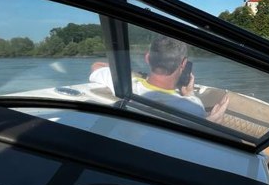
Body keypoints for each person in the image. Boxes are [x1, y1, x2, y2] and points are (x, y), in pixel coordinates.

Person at [89, 35, 228, 122]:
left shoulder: (125, 85)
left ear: (148, 58)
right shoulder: (193, 107)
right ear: (183, 64)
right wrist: (189, 94)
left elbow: (96, 65)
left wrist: (133, 73)